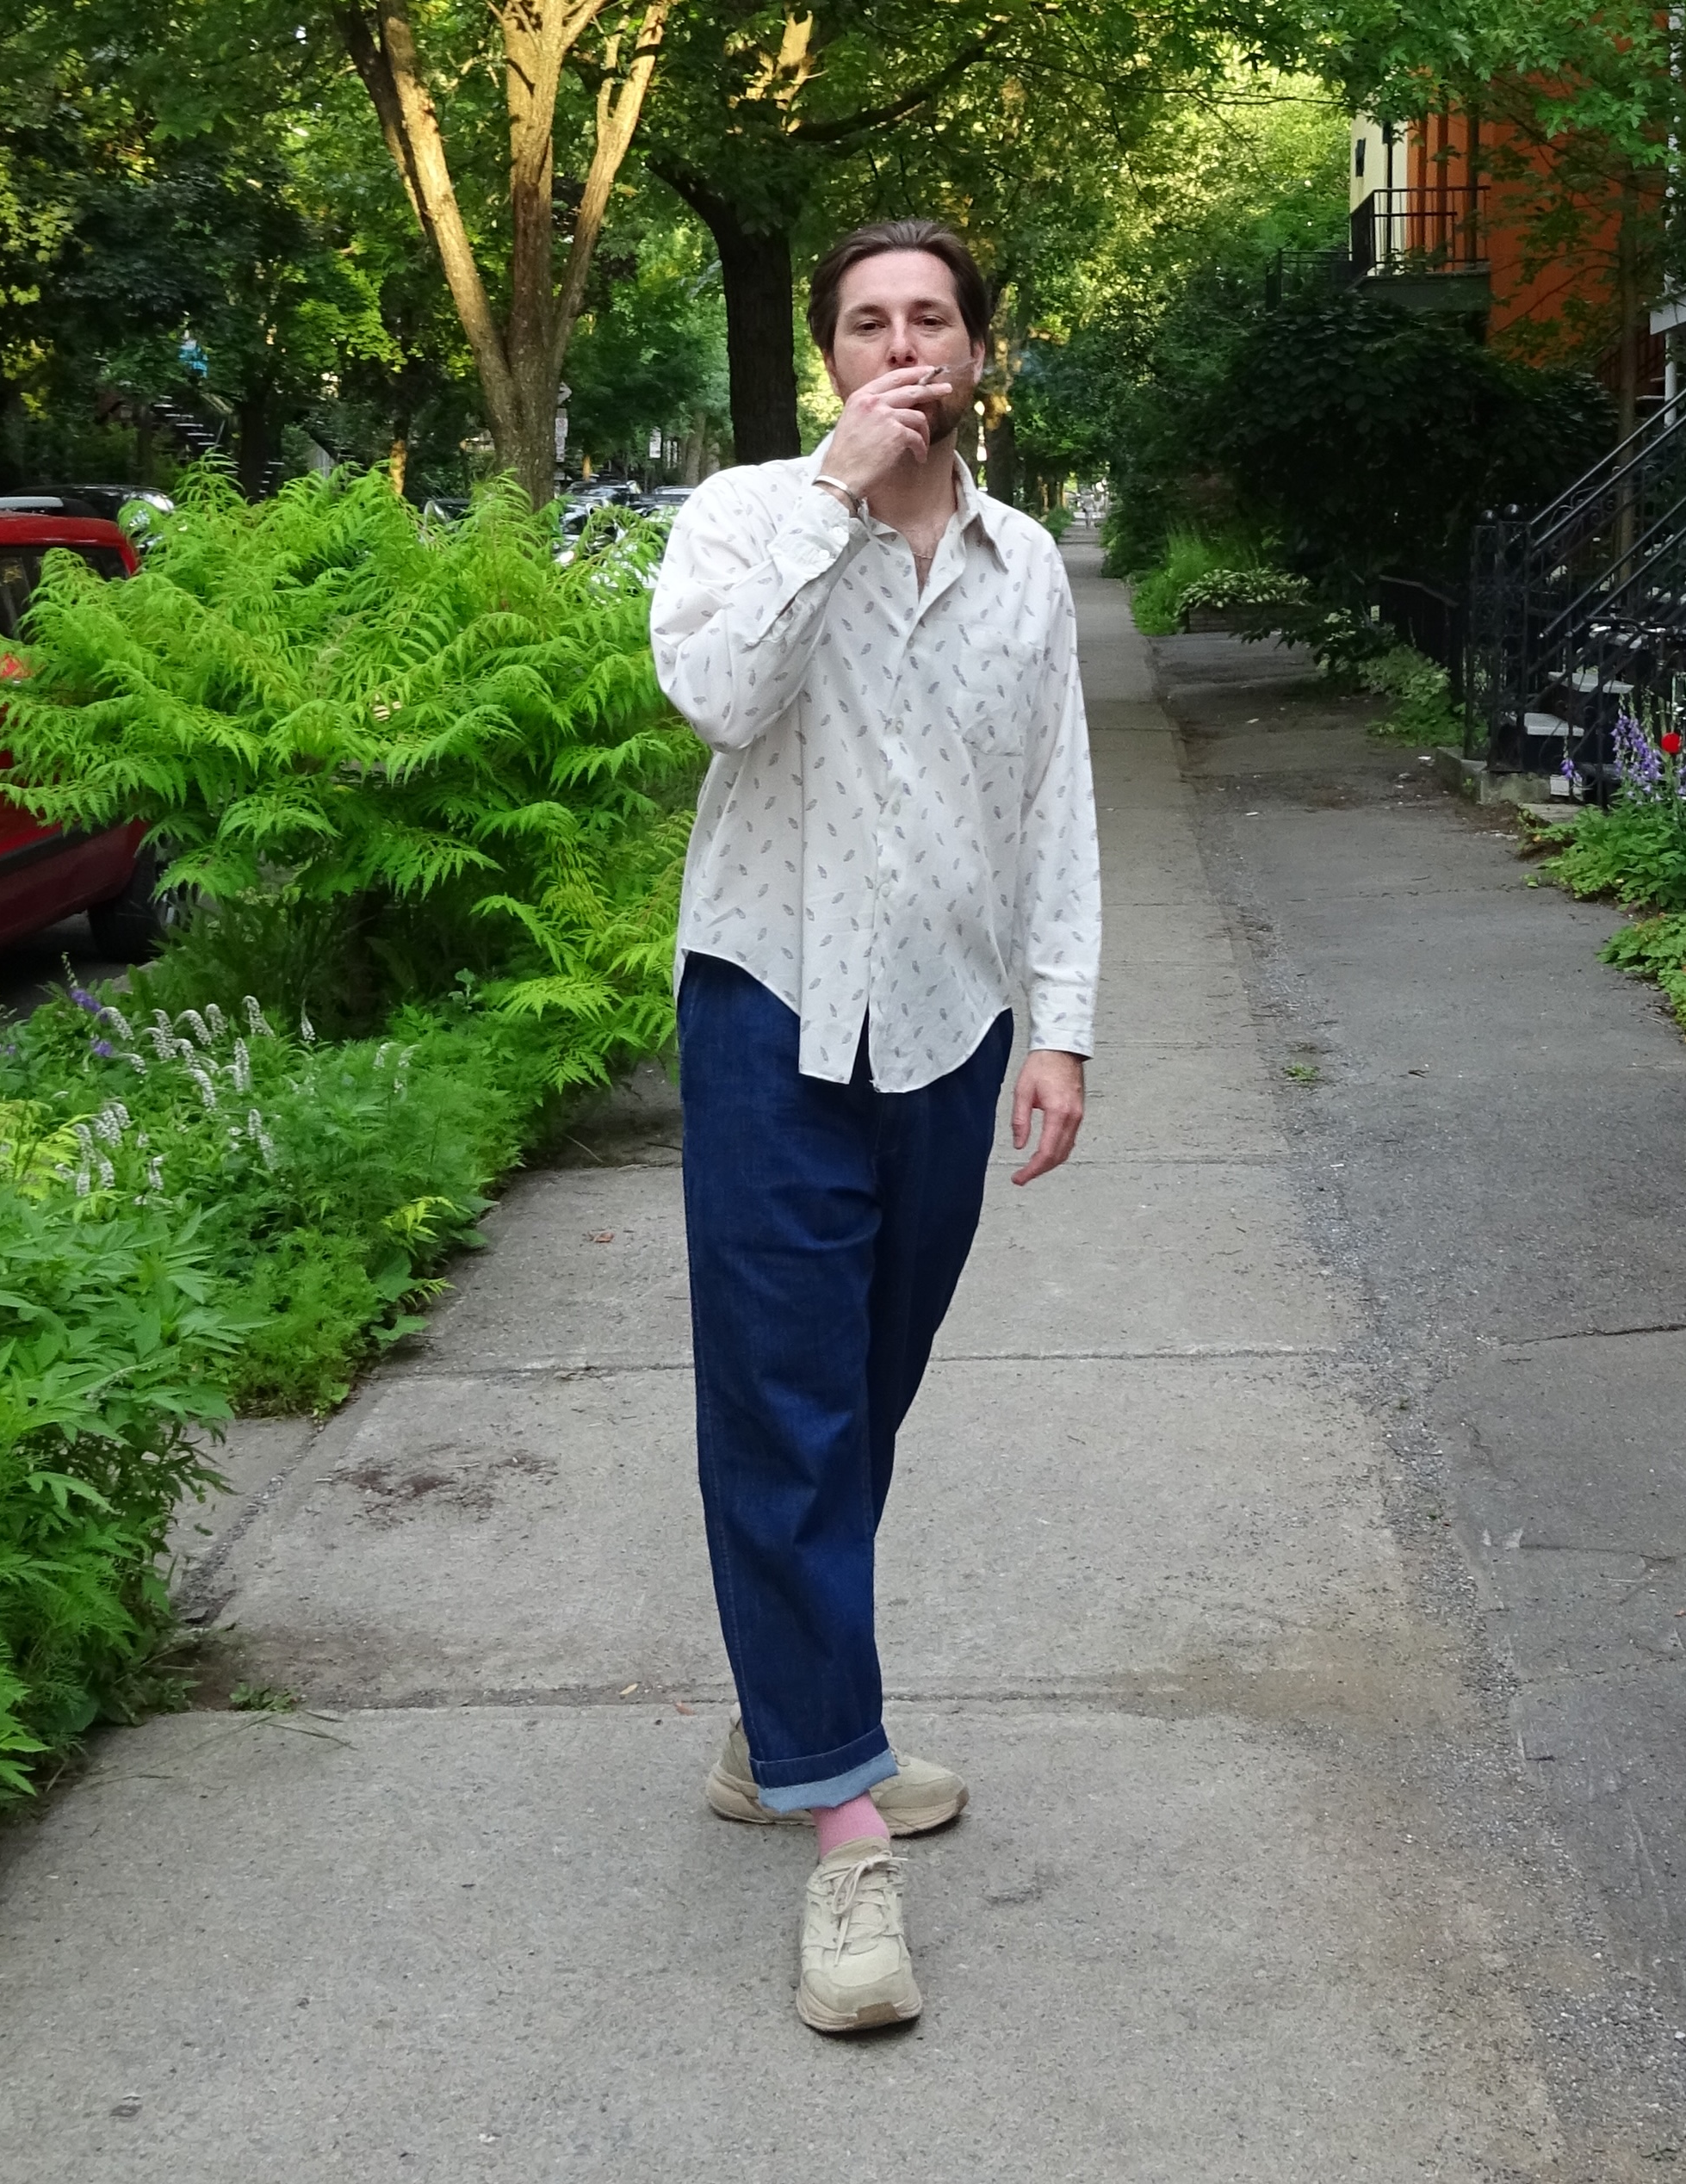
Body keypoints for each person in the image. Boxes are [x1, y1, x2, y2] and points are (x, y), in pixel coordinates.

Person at [650, 217, 1101, 2033]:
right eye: (864, 323)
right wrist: (836, 502)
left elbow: (1053, 803)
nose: (899, 345)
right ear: (831, 356)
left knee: (864, 1399)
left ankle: (783, 1726)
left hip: (951, 1034)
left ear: (978, 353)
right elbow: (713, 698)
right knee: (784, 1410)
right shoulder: (746, 517)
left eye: (930, 319)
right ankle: (843, 1829)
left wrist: (1061, 1033)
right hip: (769, 1014)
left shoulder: (1027, 567)